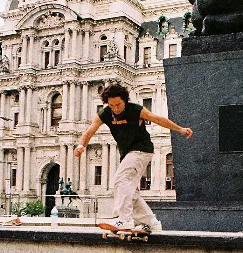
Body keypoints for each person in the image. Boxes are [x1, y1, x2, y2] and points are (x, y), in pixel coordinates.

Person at [74, 84, 193, 232]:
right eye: (112, 105)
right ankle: (151, 223)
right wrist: (81, 145)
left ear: (124, 100)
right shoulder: (105, 114)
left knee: (121, 180)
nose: (116, 108)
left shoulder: (135, 109)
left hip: (141, 149)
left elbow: (157, 119)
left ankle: (124, 219)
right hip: (128, 154)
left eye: (118, 104)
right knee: (130, 191)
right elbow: (90, 130)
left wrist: (180, 129)